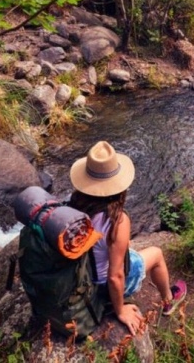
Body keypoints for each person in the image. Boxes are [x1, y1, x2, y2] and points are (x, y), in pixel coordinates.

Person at [69, 141, 187, 336]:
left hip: (80, 278)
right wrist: (120, 309)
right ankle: (169, 300)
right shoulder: (117, 220)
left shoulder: (72, 206)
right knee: (156, 254)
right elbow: (115, 277)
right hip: (101, 287)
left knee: (124, 252)